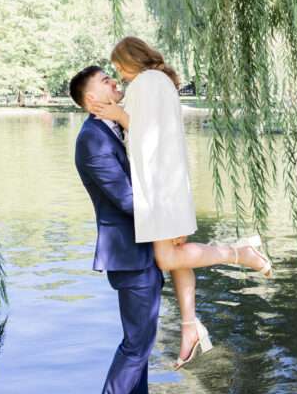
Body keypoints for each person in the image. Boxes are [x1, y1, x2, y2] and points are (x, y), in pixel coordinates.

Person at [91, 36, 272, 369]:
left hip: (161, 185)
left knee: (166, 258)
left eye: (120, 68)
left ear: (132, 60)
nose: (121, 75)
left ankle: (240, 254)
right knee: (175, 257)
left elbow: (147, 135)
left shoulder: (147, 82)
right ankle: (190, 327)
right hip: (167, 181)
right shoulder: (158, 81)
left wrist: (117, 113)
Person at [70, 64, 190, 394]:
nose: (114, 83)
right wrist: (172, 221)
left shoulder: (114, 129)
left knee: (141, 337)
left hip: (143, 247)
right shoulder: (93, 140)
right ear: (92, 99)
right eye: (106, 81)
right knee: (136, 344)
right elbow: (127, 199)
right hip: (128, 251)